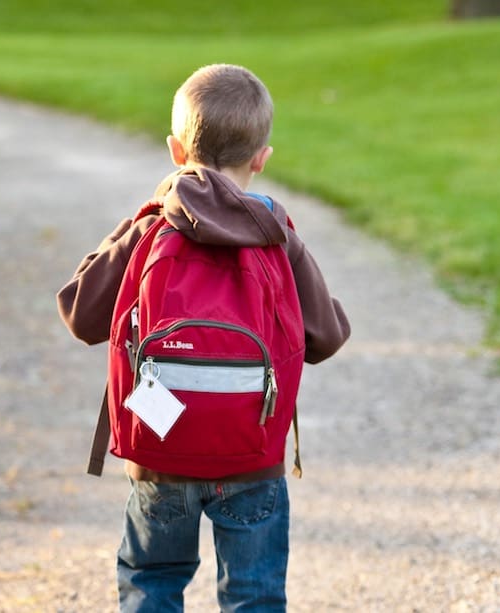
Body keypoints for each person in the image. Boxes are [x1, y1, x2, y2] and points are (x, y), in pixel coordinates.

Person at [57, 63, 350, 612]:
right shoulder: (276, 235)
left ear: (174, 150)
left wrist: (132, 227)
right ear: (262, 158)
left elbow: (79, 312)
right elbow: (326, 337)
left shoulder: (152, 227)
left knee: (152, 582)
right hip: (251, 455)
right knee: (254, 595)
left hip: (161, 448)